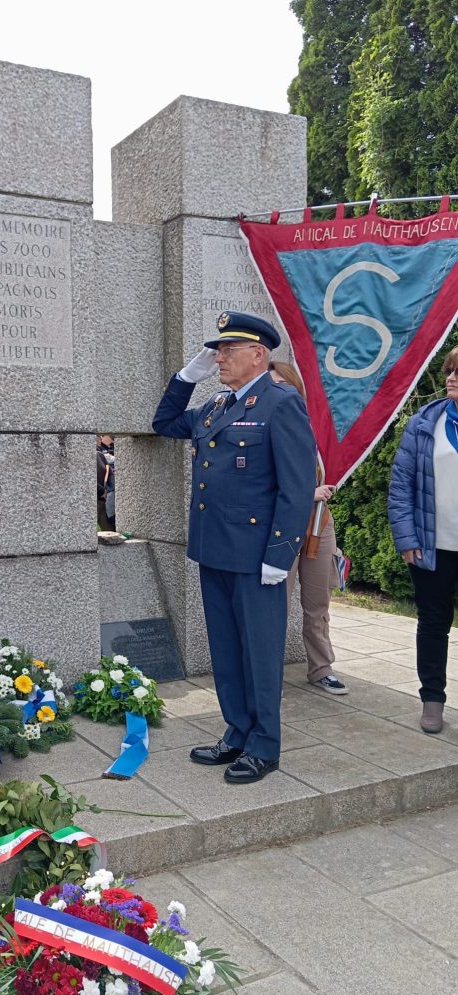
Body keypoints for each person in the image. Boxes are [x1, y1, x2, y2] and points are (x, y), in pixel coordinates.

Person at [152, 311, 316, 783]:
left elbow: (296, 486)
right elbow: (164, 423)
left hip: (256, 556)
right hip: (215, 549)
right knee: (225, 649)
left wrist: (279, 555)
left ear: (259, 355)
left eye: (227, 350)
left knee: (259, 653)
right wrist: (187, 377)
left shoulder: (280, 403)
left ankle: (265, 747)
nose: (218, 357)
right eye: (216, 351)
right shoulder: (217, 405)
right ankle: (238, 732)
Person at [388, 345, 458, 734]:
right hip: (433, 547)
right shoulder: (422, 426)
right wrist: (406, 538)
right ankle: (433, 700)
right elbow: (401, 489)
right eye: (449, 371)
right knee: (433, 623)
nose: (450, 378)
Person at [269, 361, 347, 696]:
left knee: (318, 603)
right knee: (274, 604)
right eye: (271, 385)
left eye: (284, 385)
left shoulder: (314, 428)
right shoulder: (261, 425)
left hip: (318, 524)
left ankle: (321, 668)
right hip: (280, 527)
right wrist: (305, 494)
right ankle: (265, 673)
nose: (278, 391)